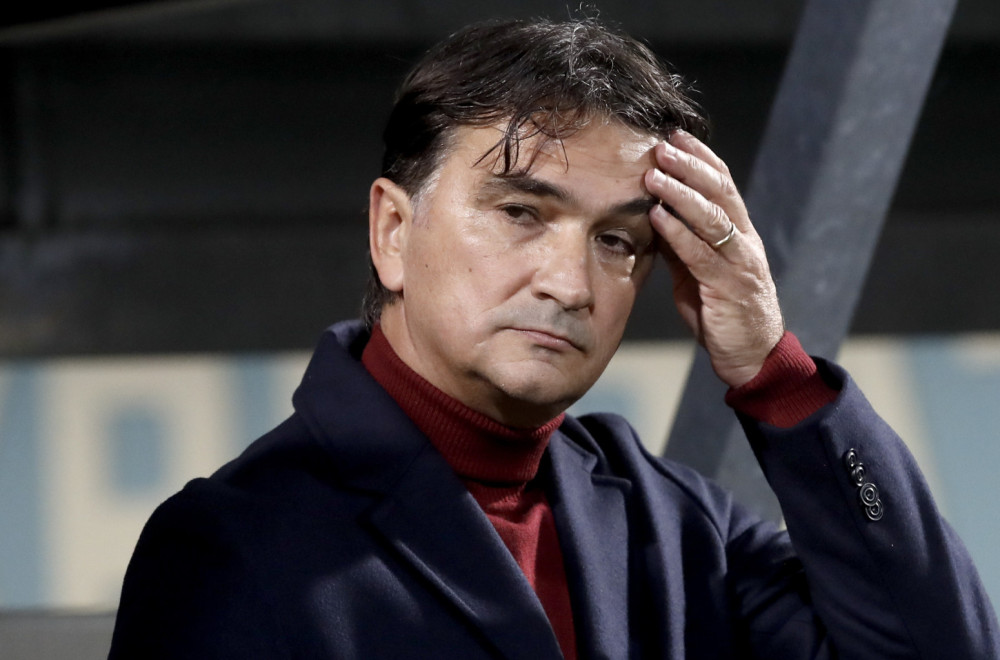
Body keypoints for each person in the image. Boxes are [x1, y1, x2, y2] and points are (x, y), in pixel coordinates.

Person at [109, 17, 999, 659]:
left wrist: (776, 376)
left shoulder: (679, 527)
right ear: (393, 231)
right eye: (521, 212)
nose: (570, 284)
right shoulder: (232, 547)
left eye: (617, 241)